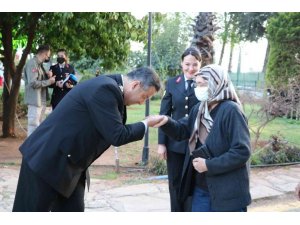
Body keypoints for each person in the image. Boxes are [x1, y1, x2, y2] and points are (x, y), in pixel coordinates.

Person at [12, 67, 163, 212]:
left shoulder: (110, 86)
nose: (142, 102)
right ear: (135, 85)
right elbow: (117, 135)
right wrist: (146, 123)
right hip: (46, 160)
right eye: (144, 97)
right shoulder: (105, 88)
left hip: (71, 166)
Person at [152, 64, 252, 212]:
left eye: (203, 84)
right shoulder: (200, 109)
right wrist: (165, 122)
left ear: (216, 84)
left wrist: (209, 165)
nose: (198, 88)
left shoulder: (231, 111)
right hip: (201, 188)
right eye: (197, 84)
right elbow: (182, 130)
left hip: (227, 191)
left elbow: (241, 151)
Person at [157, 46, 202, 212]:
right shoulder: (171, 83)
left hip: (197, 143)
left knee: (193, 183)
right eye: (187, 64)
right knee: (175, 182)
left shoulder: (204, 84)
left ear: (200, 65)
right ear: (181, 64)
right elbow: (164, 115)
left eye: (195, 64)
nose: (191, 68)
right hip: (174, 143)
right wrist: (162, 143)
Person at [23, 45, 56, 136]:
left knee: (38, 128)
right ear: (44, 54)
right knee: (33, 127)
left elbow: (40, 79)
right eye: (48, 55)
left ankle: (35, 149)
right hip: (35, 100)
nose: (48, 58)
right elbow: (33, 83)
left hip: (41, 100)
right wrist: (49, 81)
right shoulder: (32, 64)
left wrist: (48, 75)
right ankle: (30, 149)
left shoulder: (40, 65)